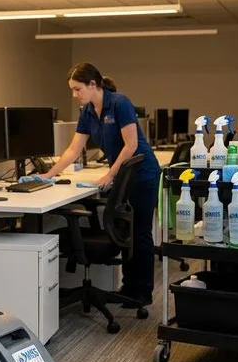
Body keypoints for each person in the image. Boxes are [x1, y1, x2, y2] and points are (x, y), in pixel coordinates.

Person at [39, 62, 160, 307]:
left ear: (93, 85)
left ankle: (142, 291)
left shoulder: (119, 103)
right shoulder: (87, 112)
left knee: (140, 232)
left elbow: (131, 145)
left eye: (77, 89)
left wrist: (110, 175)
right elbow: (74, 149)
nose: (74, 95)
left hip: (143, 174)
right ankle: (128, 286)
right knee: (127, 230)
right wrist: (49, 175)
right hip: (123, 174)